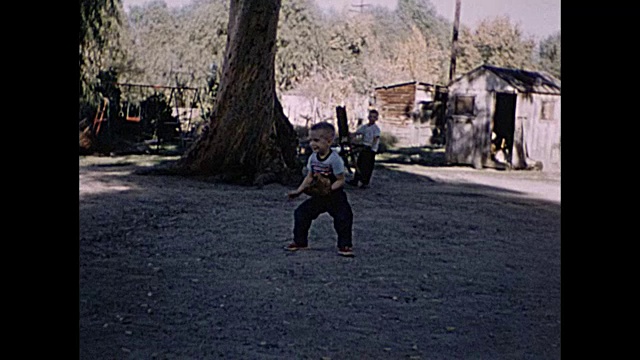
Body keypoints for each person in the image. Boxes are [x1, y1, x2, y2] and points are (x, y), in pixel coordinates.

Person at [285, 122, 355, 257]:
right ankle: (300, 241)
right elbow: (309, 176)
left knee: (343, 217)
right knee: (301, 213)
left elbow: (341, 180)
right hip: (319, 195)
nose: (312, 144)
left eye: (316, 140)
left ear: (329, 141)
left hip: (334, 196)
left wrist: (329, 189)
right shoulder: (312, 158)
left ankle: (345, 245)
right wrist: (298, 191)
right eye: (310, 140)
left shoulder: (335, 159)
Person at [347, 109, 381, 189]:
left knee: (367, 166)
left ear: (376, 119)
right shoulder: (365, 127)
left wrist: (372, 147)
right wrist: (351, 136)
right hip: (364, 147)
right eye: (370, 116)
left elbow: (375, 138)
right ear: (368, 117)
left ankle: (365, 182)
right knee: (360, 163)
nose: (372, 118)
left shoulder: (376, 129)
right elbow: (358, 133)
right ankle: (356, 180)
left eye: (374, 117)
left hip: (370, 149)